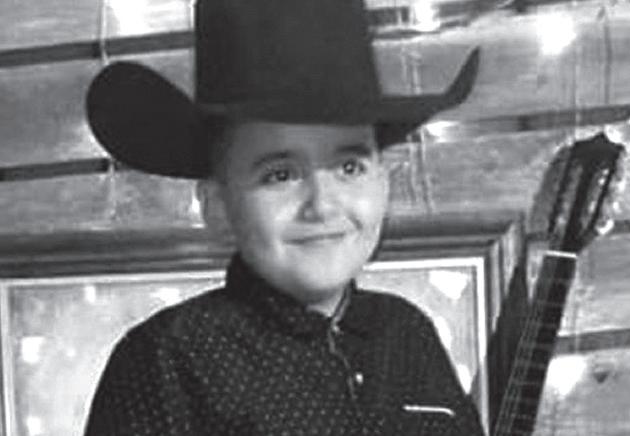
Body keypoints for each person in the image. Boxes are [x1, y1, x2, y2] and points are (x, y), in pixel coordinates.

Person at [82, 0, 484, 434]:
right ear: (218, 206)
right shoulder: (166, 360)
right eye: (280, 175)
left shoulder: (407, 332)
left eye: (350, 167)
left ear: (384, 183)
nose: (323, 205)